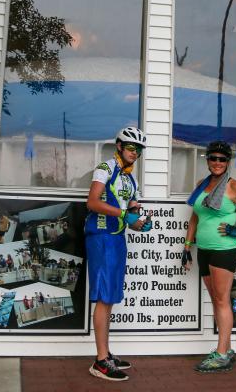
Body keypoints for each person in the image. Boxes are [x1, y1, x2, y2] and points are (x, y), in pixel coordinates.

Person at [181, 140, 236, 373]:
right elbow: (195, 217)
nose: (217, 162)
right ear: (207, 160)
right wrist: (187, 245)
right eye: (213, 158)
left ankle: (220, 354)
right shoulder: (202, 185)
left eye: (222, 159)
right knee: (216, 300)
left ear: (228, 162)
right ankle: (227, 350)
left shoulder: (234, 186)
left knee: (221, 300)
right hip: (205, 249)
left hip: (224, 249)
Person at [84, 126, 152, 382]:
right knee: (104, 297)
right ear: (120, 147)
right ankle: (100, 361)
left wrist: (142, 220)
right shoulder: (106, 168)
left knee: (110, 297)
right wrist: (123, 214)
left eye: (139, 149)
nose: (135, 152)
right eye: (132, 147)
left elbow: (133, 211)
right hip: (101, 237)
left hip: (117, 238)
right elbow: (92, 202)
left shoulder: (130, 178)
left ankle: (106, 353)